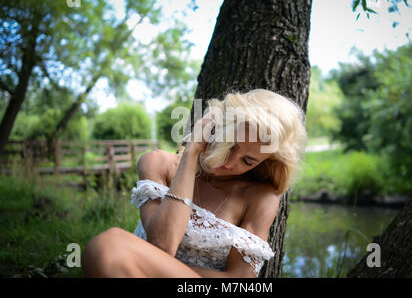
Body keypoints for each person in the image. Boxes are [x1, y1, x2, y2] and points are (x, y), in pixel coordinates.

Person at [82, 89, 307, 278]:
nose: (229, 162)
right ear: (214, 126)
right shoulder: (159, 163)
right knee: (107, 248)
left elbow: (240, 280)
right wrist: (191, 153)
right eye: (229, 144)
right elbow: (163, 243)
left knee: (110, 245)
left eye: (247, 161)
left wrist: (144, 265)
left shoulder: (260, 197)